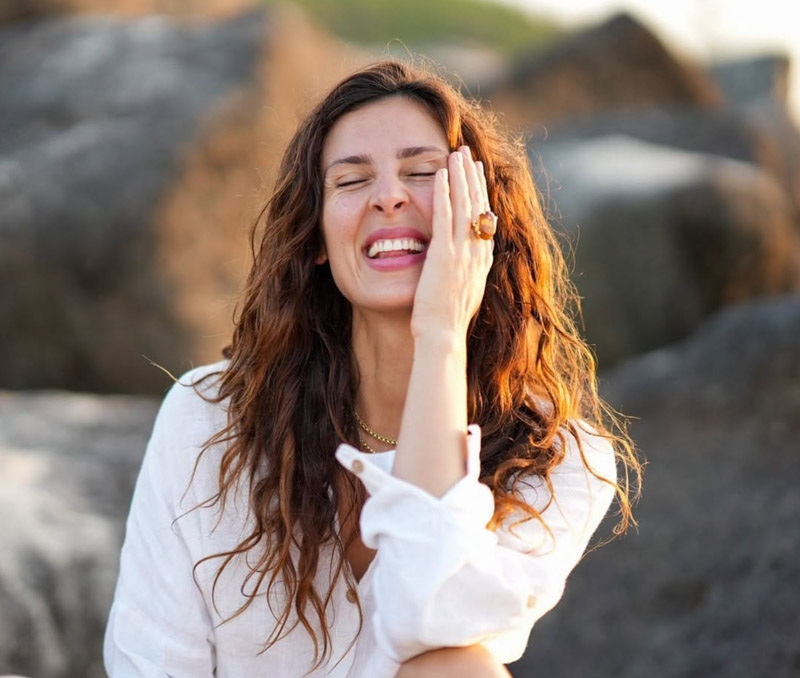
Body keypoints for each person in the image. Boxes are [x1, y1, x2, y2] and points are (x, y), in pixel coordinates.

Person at [104, 60, 639, 677]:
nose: (390, 195)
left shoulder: (561, 458)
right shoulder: (210, 418)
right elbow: (151, 663)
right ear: (315, 242)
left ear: (483, 222)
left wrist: (440, 333)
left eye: (423, 173)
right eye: (352, 181)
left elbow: (430, 617)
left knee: (456, 668)